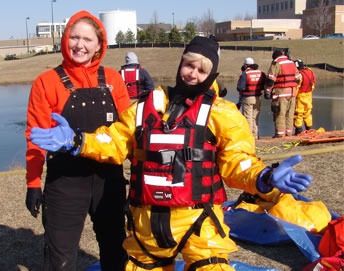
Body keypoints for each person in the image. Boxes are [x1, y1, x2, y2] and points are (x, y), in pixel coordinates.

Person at [29, 36, 312, 271]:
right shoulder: (146, 106)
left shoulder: (222, 114)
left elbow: (238, 162)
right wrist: (77, 140)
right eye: (189, 65)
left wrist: (265, 176)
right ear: (181, 63)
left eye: (202, 70)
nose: (192, 74)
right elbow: (115, 140)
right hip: (147, 224)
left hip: (200, 223)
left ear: (211, 74)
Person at [24, 10, 131, 270]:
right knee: (60, 256)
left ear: (99, 45)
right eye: (74, 37)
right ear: (65, 39)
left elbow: (129, 132)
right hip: (66, 181)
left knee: (116, 248)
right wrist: (33, 183)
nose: (79, 45)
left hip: (109, 180)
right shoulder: (46, 82)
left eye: (87, 39)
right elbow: (35, 136)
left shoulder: (114, 80)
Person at [264, 50, 300, 138]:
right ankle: (289, 134)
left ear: (274, 57)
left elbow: (270, 80)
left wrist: (267, 92)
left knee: (280, 113)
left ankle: (280, 135)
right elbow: (298, 78)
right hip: (292, 93)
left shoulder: (276, 63)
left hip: (281, 93)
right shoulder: (291, 63)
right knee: (290, 114)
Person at [236, 57, 266, 139]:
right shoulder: (261, 73)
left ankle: (249, 137)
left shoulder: (245, 74)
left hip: (248, 98)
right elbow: (264, 86)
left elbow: (240, 88)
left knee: (247, 117)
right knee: (255, 118)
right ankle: (255, 135)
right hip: (258, 97)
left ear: (246, 65)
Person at [294, 59, 315, 135]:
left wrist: (294, 96)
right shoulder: (310, 72)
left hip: (300, 96)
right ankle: (309, 129)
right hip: (309, 95)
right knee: (308, 113)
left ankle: (298, 130)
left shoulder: (299, 75)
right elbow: (312, 85)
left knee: (299, 114)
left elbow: (297, 86)